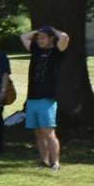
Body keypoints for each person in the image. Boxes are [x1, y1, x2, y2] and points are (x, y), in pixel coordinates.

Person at [20, 25, 69, 170]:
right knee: (38, 132)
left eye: (43, 38)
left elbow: (65, 37)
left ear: (50, 38)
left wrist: (53, 30)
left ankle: (56, 163)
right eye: (39, 38)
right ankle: (44, 161)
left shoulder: (56, 52)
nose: (40, 40)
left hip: (47, 98)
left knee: (48, 131)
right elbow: (23, 36)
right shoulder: (35, 50)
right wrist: (38, 31)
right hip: (32, 97)